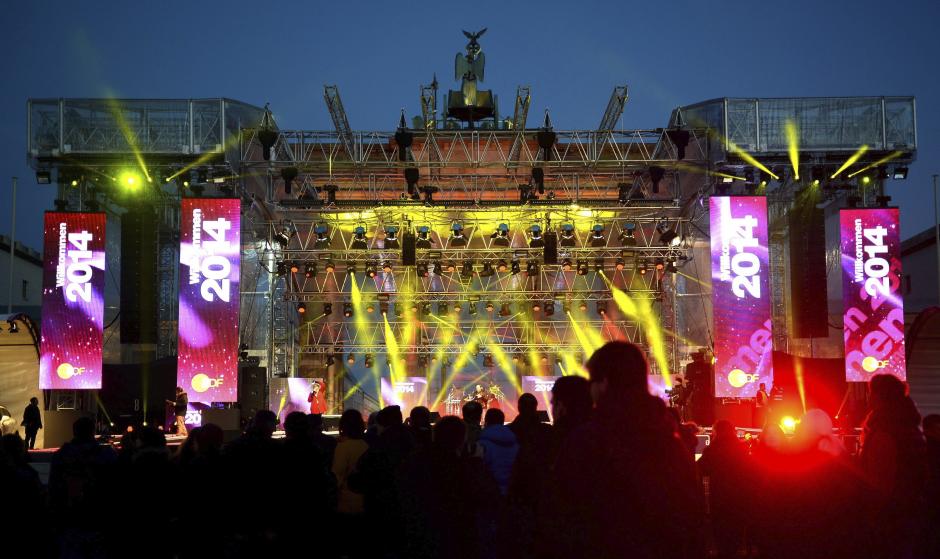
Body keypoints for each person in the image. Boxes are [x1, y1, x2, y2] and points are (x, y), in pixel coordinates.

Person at [548, 341, 703, 559]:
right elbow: (689, 512)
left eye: (592, 382)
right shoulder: (670, 438)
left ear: (604, 383)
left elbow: (565, 515)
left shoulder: (590, 439)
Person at [859, 374, 927, 559]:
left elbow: (881, 484)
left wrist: (870, 516)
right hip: (912, 512)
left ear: (881, 397)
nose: (869, 398)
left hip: (891, 517)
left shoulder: (885, 434)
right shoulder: (911, 429)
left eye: (872, 393)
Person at [697, 420, 749, 559]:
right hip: (739, 496)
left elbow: (700, 469)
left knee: (720, 529)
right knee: (736, 527)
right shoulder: (742, 449)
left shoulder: (712, 450)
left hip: (719, 496)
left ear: (716, 432)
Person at [333, 409, 369, 558]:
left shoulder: (344, 447)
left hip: (347, 502)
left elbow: (337, 474)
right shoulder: (365, 444)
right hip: (365, 500)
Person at [477, 408, 518, 495]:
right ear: (502, 422)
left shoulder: (481, 445)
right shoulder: (516, 444)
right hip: (512, 492)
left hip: (489, 494)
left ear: (486, 421)